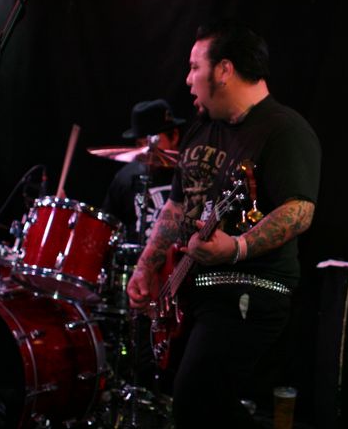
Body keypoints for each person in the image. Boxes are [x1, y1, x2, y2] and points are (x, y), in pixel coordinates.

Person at [126, 21, 321, 428]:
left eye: (195, 66)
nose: (188, 79)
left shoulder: (284, 129)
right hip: (194, 288)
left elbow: (299, 210)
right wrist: (146, 266)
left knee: (195, 400)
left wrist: (236, 247)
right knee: (189, 402)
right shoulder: (202, 128)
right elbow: (177, 207)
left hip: (248, 289)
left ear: (224, 70)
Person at [102, 98, 186, 243]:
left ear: (174, 136)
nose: (146, 152)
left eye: (151, 143)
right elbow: (106, 226)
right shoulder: (125, 178)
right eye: (139, 144)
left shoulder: (191, 174)